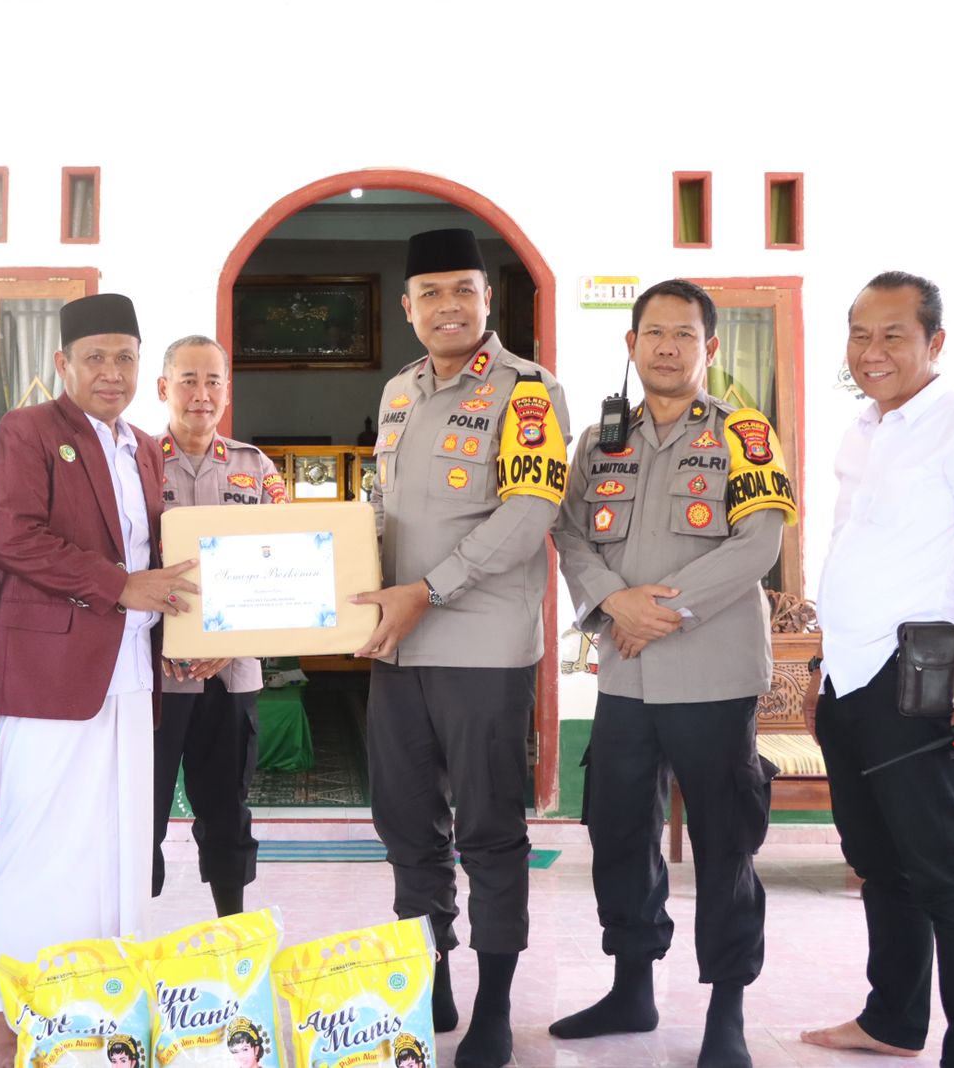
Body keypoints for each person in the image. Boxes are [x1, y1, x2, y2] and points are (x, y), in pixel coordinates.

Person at [549, 279, 796, 1068]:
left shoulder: (744, 433)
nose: (667, 347)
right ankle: (632, 988)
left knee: (725, 841)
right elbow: (569, 530)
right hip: (625, 674)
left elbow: (759, 543)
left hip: (712, 673)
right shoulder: (600, 440)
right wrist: (612, 602)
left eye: (684, 334)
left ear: (709, 348)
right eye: (653, 333)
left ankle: (728, 1010)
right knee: (619, 830)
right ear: (631, 344)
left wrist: (661, 610)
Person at [356, 228, 571, 1068]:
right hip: (396, 649)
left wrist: (430, 589)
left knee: (488, 829)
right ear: (408, 308)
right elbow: (380, 508)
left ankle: (496, 1003)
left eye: (463, 291)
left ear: (487, 300)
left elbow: (529, 513)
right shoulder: (398, 392)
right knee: (406, 822)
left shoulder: (528, 392)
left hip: (481, 648)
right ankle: (433, 973)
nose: (448, 306)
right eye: (431, 294)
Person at [800, 272, 954, 1067]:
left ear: (935, 342)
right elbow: (857, 550)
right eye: (861, 334)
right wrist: (825, 666)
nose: (873, 351)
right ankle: (892, 1020)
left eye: (893, 334)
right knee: (879, 868)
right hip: (846, 679)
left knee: (944, 878)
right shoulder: (862, 429)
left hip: (915, 683)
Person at [0, 293, 198, 1068]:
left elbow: (157, 558)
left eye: (125, 358)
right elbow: (13, 537)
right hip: (50, 674)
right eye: (95, 358)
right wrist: (120, 586)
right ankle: (12, 1008)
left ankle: (105, 999)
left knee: (120, 844)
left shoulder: (143, 446)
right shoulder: (29, 430)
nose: (112, 372)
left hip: (129, 672)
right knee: (40, 842)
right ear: (62, 363)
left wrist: (190, 632)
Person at [151, 334, 285, 917]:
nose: (201, 394)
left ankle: (232, 933)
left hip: (231, 676)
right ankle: (131, 937)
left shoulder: (256, 468)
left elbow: (284, 566)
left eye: (213, 382)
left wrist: (233, 645)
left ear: (227, 392)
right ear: (164, 388)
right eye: (188, 380)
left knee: (227, 811)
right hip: (153, 676)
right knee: (141, 812)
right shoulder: (135, 462)